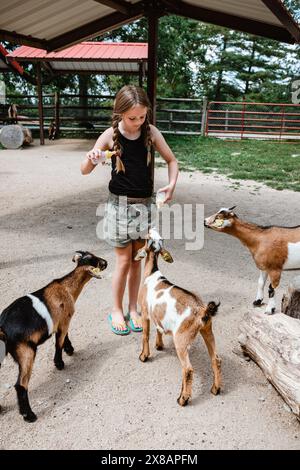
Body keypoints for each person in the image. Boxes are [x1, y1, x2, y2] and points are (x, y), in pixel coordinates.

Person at [81, 85, 178, 335]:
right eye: (132, 118)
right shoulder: (110, 135)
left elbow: (171, 160)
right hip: (119, 207)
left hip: (144, 206)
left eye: (142, 117)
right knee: (123, 261)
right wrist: (92, 158)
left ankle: (133, 308)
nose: (137, 122)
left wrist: (171, 184)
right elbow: (84, 170)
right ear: (120, 114)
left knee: (138, 262)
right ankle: (116, 309)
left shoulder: (151, 132)